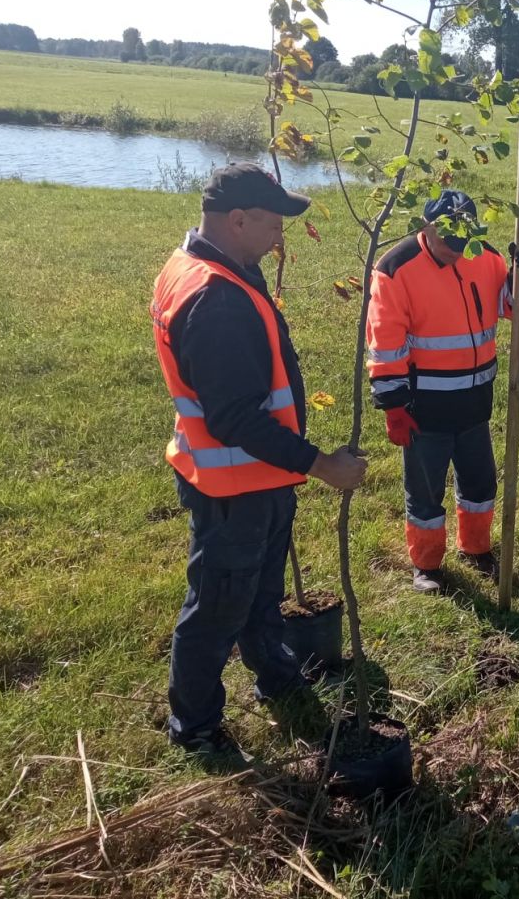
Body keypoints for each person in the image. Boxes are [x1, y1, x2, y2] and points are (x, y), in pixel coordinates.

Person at [150, 163, 367, 759]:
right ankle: (194, 728)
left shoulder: (218, 267)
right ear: (237, 219)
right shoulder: (214, 298)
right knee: (216, 610)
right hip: (231, 486)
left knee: (259, 594)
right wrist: (319, 463)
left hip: (255, 479)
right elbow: (235, 418)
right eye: (272, 225)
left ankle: (276, 673)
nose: (280, 238)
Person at [366, 189, 519, 594]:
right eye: (448, 241)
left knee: (480, 485)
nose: (456, 251)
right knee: (425, 492)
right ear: (426, 227)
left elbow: (510, 307)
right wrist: (393, 405)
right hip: (424, 407)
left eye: (463, 241)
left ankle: (477, 549)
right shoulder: (396, 268)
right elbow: (385, 341)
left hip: (476, 401)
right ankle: (426, 565)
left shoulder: (486, 255)